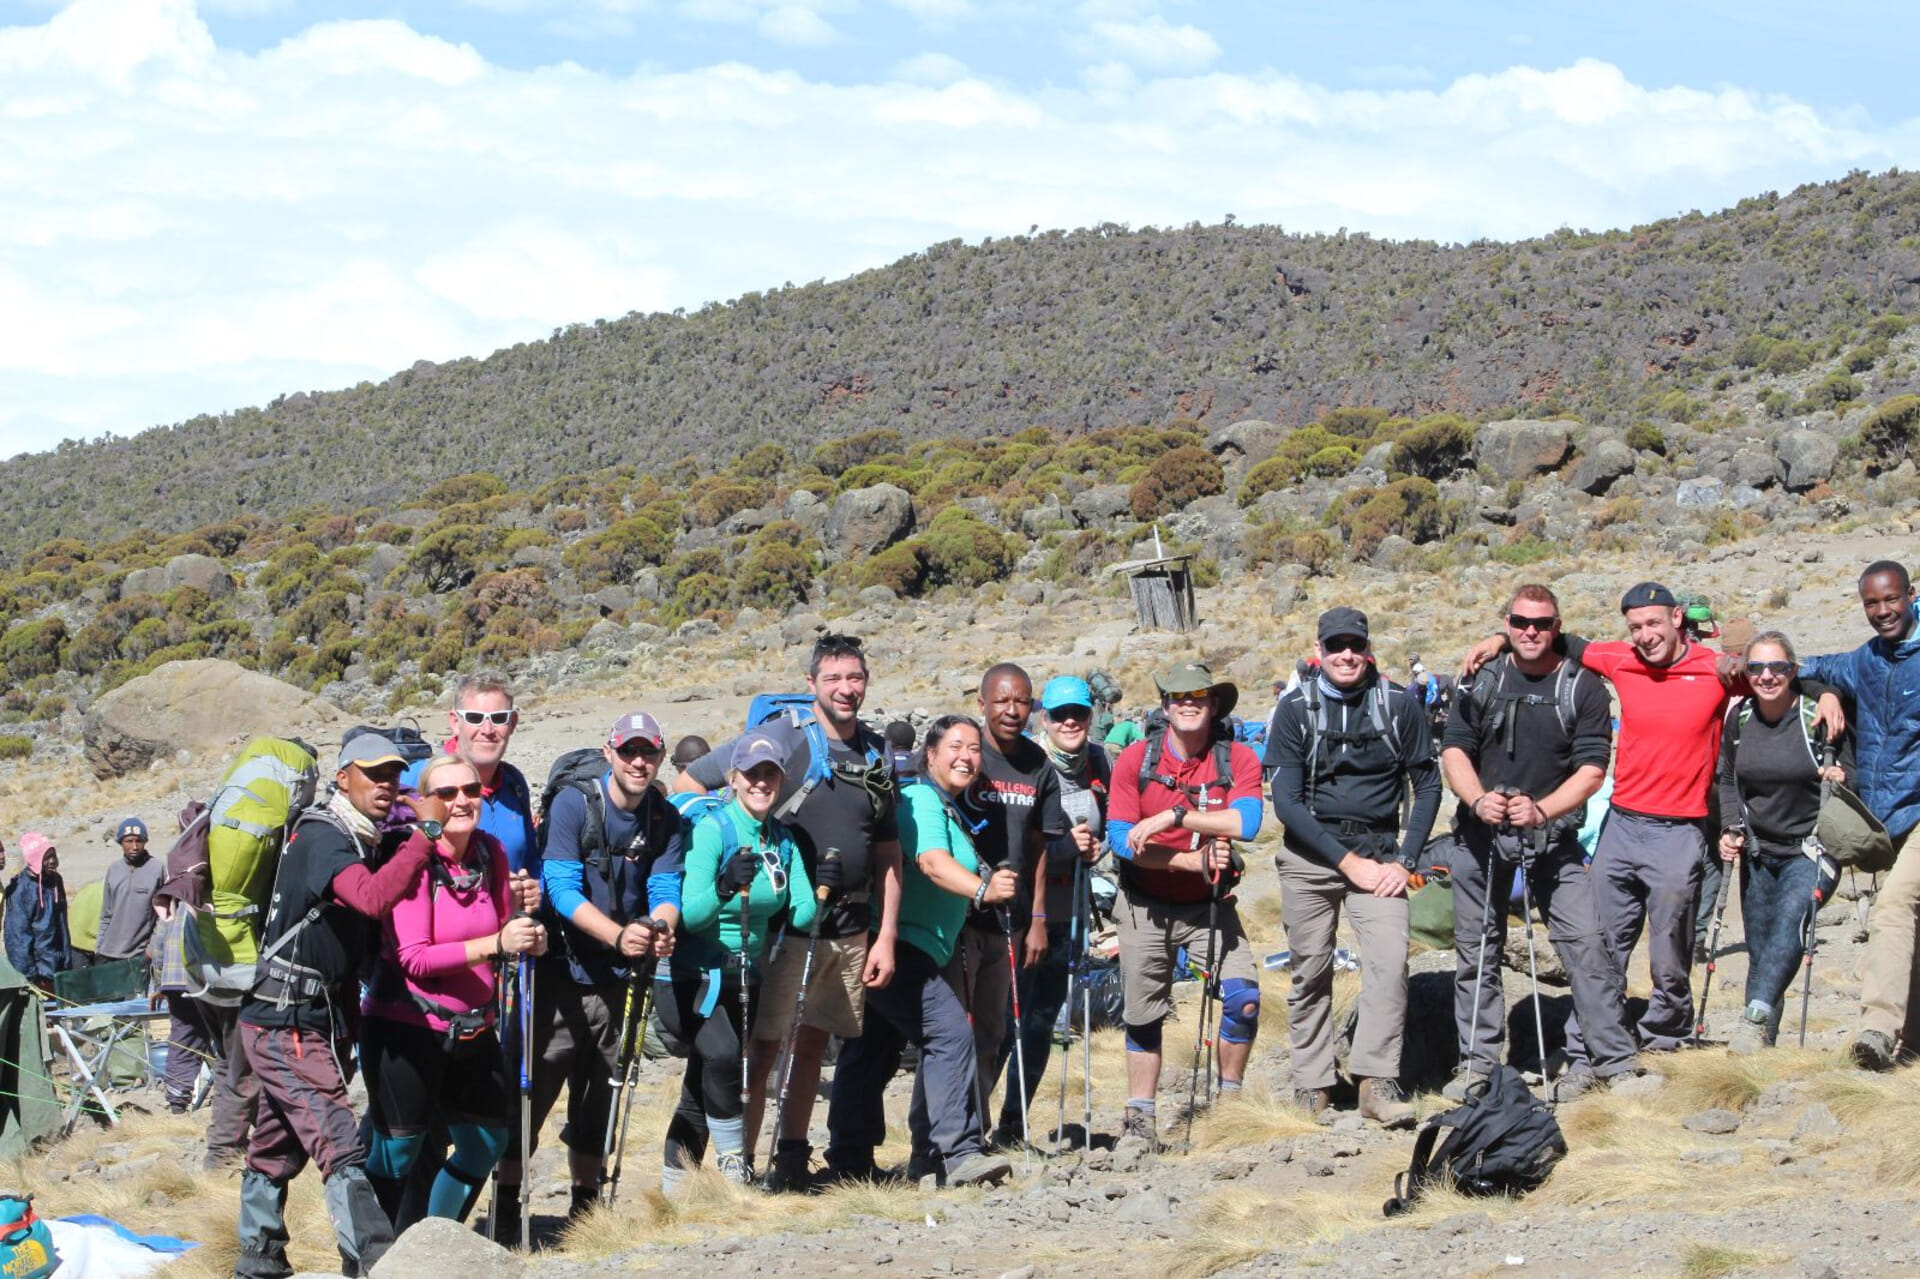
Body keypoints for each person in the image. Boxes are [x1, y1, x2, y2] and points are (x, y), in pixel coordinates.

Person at [1463, 581, 1753, 1070]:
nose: (1645, 635)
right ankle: (1589, 1050)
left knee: (1668, 950)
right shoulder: (1619, 659)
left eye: (1653, 623)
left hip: (1681, 829)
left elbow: (1779, 679)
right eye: (1635, 626)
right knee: (1601, 946)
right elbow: (1550, 637)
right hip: (1620, 824)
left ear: (1677, 618)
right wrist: (1498, 638)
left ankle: (1664, 1037)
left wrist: (1825, 694)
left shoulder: (1714, 669)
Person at [675, 633, 903, 1191]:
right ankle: (740, 1169)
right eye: (833, 678)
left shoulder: (876, 753)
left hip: (851, 924)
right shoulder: (783, 737)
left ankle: (792, 1156)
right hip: (784, 926)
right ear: (811, 684)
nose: (846, 689)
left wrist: (886, 934)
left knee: (814, 1045)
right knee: (764, 1047)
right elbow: (690, 782)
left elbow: (888, 851)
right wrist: (717, 854)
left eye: (855, 677)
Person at [234, 735, 435, 1279]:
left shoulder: (353, 836)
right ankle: (374, 1258)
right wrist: (426, 835)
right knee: (337, 1139)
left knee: (276, 1143)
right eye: (374, 774)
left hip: (299, 1017)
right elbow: (371, 898)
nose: (387, 784)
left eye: (394, 775)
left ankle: (258, 1258)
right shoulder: (326, 835)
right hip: (286, 1020)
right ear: (342, 777)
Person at [1440, 586, 1637, 1099]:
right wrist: (1477, 799)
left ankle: (1612, 1060)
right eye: (1521, 622)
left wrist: (1543, 810)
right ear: (1507, 624)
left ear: (1557, 627)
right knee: (1477, 952)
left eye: (1543, 623)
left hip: (1553, 840)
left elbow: (1593, 769)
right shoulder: (1482, 678)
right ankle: (1477, 1066)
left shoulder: (1583, 687)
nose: (1531, 631)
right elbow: (1454, 749)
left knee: (1586, 943)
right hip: (1480, 837)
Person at [497, 712, 681, 1243]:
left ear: (661, 756)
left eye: (648, 752)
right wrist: (619, 936)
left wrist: (659, 928)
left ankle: (585, 1212)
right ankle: (506, 1209)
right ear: (610, 752)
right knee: (531, 1095)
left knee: (601, 1093)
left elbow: (665, 887)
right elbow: (561, 887)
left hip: (619, 977)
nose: (638, 762)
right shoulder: (574, 804)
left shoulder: (665, 817)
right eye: (629, 751)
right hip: (559, 973)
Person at [824, 715, 1015, 1188]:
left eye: (974, 749)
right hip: (898, 945)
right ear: (930, 754)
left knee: (873, 1048)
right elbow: (931, 862)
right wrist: (983, 890)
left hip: (896, 945)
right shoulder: (923, 800)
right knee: (949, 1034)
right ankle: (958, 1152)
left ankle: (849, 1159)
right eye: (955, 746)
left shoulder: (942, 805)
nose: (966, 757)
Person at [360, 755, 545, 1230]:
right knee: (397, 1153)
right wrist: (497, 944)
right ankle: (369, 1253)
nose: (461, 801)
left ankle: (434, 1243)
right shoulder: (412, 858)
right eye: (445, 794)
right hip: (406, 1028)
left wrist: (528, 937)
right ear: (424, 802)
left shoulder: (490, 852)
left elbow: (503, 927)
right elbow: (415, 958)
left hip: (473, 1028)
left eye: (470, 790)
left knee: (485, 1142)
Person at [1268, 611, 1438, 1127]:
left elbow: (1428, 784)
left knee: (1388, 962)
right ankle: (1313, 1084)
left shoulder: (1399, 706)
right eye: (1335, 645)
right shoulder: (1295, 709)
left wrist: (1405, 861)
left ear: (1367, 649)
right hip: (1311, 856)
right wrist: (1346, 863)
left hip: (1382, 854)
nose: (1346, 655)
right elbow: (1286, 801)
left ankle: (1375, 1083)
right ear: (1318, 649)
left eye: (1355, 646)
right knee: (1310, 969)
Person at [1106, 662, 1265, 1144]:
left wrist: (1177, 816)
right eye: (1178, 697)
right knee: (1144, 1014)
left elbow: (1247, 823)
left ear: (1213, 704)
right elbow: (1121, 840)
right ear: (1165, 706)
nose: (1188, 704)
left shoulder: (1238, 759)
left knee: (1244, 1000)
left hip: (1209, 905)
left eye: (1198, 696)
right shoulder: (1136, 760)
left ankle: (1230, 1107)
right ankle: (1140, 1119)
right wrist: (1191, 861)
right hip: (1143, 905)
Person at [663, 731, 813, 1185]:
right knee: (726, 1058)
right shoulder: (712, 830)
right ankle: (733, 1168)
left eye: (771, 774)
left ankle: (676, 1191)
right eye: (752, 774)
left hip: (745, 977)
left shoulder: (781, 840)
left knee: (700, 1085)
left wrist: (826, 889)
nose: (761, 782)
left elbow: (801, 910)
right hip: (691, 976)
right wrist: (724, 887)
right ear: (732, 779)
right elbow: (690, 915)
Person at [1794, 562, 1920, 1070]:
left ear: (1911, 595)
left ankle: (1877, 1027)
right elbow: (1806, 668)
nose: (1883, 610)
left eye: (1891, 599)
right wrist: (1826, 691)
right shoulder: (1865, 659)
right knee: (1910, 923)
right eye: (1872, 602)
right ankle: (1910, 1046)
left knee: (1892, 908)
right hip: (1889, 816)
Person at [1715, 632, 1852, 1054]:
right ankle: (1760, 1050)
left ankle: (1751, 1021)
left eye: (1778, 667)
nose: (1767, 676)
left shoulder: (1817, 715)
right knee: (1761, 950)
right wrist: (1730, 827)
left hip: (1813, 848)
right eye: (1756, 668)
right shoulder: (1740, 718)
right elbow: (1727, 778)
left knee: (1790, 924)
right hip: (1759, 851)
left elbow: (1855, 772)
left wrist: (1841, 779)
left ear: (1793, 670)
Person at [989, 676, 1109, 1146]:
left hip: (1069, 913)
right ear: (1045, 719)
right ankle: (967, 1125)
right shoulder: (1031, 764)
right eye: (1060, 715)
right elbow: (1020, 844)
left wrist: (1096, 849)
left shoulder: (1099, 762)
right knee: (1004, 1022)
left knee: (1040, 1023)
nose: (1070, 722)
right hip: (1023, 914)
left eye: (1079, 713)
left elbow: (1109, 825)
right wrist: (1064, 850)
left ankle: (1013, 1125)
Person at [965, 664, 1068, 1150]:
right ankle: (951, 1135)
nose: (1011, 710)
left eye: (1021, 701)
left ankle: (980, 1133)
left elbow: (1040, 847)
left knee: (998, 1030)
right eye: (1002, 700)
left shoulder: (1037, 765)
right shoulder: (966, 753)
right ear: (982, 703)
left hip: (1015, 919)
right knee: (957, 1033)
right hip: (962, 916)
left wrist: (1039, 919)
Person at [4, 833, 71, 989]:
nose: (52, 861)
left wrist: (67, 961)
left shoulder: (56, 881)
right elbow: (17, 939)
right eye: (46, 857)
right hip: (39, 974)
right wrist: (29, 976)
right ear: (35, 859)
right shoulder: (20, 889)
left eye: (53, 855)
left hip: (61, 967)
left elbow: (62, 927)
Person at [95, 818, 164, 969]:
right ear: (121, 843)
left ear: (145, 842)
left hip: (139, 955)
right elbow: (106, 914)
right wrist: (99, 949)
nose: (134, 846)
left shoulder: (157, 869)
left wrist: (151, 950)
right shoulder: (114, 869)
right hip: (108, 953)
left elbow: (164, 917)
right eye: (129, 841)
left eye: (139, 841)